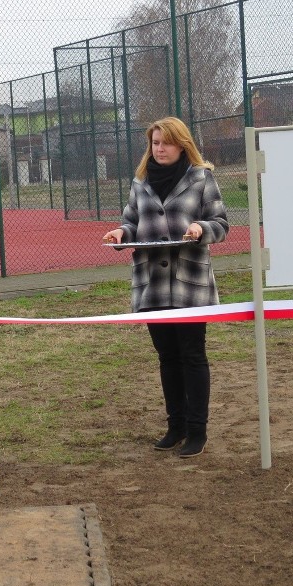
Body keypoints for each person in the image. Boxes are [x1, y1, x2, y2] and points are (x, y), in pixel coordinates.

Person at [103, 116, 229, 458]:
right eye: (155, 143)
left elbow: (221, 223)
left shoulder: (202, 178)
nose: (160, 149)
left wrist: (202, 228)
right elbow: (132, 222)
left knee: (192, 354)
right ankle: (176, 426)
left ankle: (197, 431)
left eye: (166, 142)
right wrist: (121, 234)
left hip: (190, 284)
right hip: (153, 286)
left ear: (182, 144)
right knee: (167, 356)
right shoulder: (140, 181)